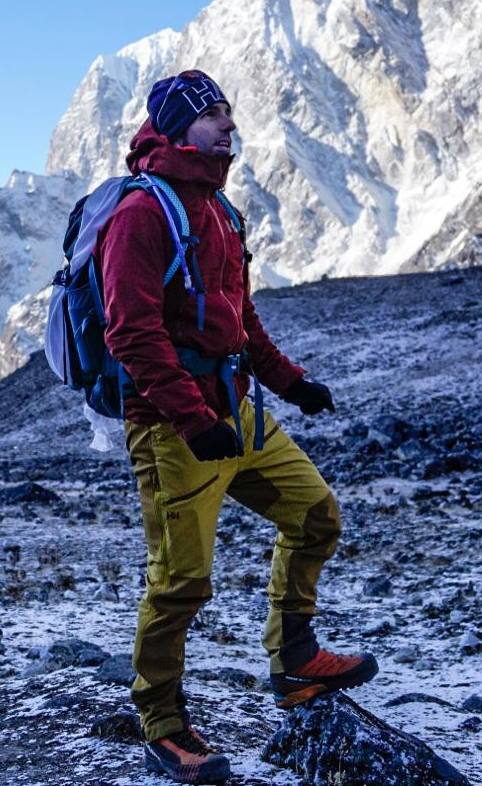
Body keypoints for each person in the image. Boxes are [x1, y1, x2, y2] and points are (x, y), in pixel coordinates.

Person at [95, 69, 378, 784]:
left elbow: (241, 322)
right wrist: (191, 420)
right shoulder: (142, 212)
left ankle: (295, 658)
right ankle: (161, 723)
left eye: (227, 110)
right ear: (176, 127)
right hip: (172, 426)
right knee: (181, 580)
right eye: (211, 113)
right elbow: (131, 332)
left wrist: (293, 383)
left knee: (315, 514)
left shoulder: (220, 207)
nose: (227, 123)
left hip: (237, 412)